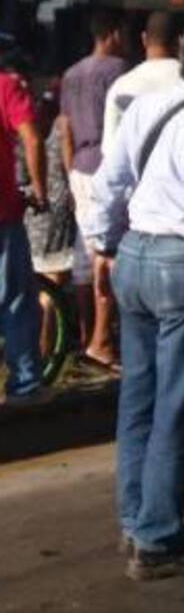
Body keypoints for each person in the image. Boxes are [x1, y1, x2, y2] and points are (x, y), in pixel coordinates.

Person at [87, 13, 184, 580]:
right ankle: (157, 540)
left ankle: (137, 521)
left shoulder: (150, 103)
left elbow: (110, 182)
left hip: (134, 255)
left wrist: (102, 246)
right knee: (179, 410)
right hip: (182, 269)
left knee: (139, 401)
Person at [61, 9, 128, 372]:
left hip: (79, 168)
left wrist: (70, 171)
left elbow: (65, 128)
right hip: (106, 166)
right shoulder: (118, 71)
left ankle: (87, 336)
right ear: (113, 33)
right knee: (107, 253)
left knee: (85, 258)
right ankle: (101, 342)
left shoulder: (71, 74)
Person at [0, 52, 48, 405]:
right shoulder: (7, 87)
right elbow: (31, 138)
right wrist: (39, 188)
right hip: (2, 212)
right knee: (15, 298)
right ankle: (25, 384)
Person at [19, 85, 75, 361]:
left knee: (36, 281)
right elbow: (70, 167)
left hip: (29, 208)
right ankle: (44, 353)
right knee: (52, 282)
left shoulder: (18, 129)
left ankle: (36, 354)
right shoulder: (62, 124)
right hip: (53, 206)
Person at [100, 11, 183, 159]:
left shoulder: (121, 86)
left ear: (144, 39)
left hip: (137, 178)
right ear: (179, 42)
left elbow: (110, 151)